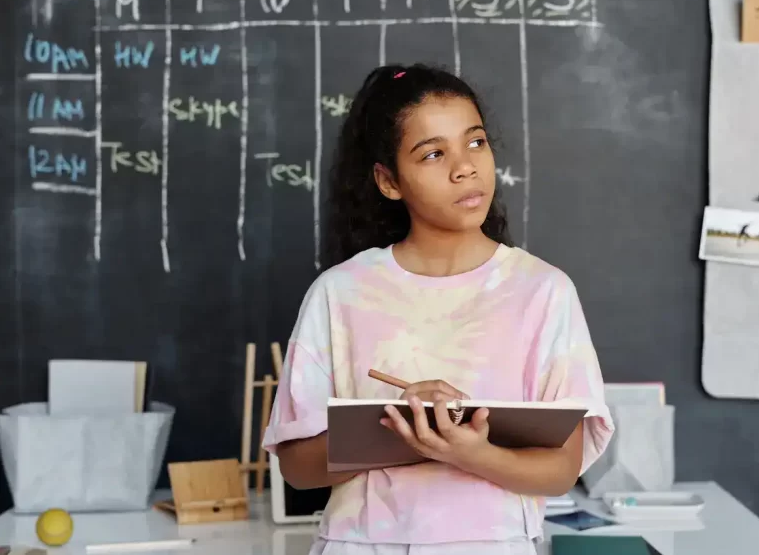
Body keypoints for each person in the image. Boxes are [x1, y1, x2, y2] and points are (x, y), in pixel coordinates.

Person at [262, 63, 614, 555]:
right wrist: (407, 433)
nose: (465, 167)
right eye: (432, 154)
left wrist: (470, 452)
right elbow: (297, 467)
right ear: (389, 181)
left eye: (476, 142)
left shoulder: (543, 291)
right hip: (361, 544)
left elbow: (560, 470)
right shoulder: (340, 292)